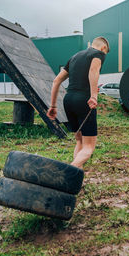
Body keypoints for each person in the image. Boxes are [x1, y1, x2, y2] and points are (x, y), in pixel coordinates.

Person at [47, 36, 110, 169]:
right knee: (89, 147)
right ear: (103, 48)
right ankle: (67, 172)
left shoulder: (74, 57)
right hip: (84, 101)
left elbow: (56, 81)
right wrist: (94, 96)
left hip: (68, 100)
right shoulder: (98, 54)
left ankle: (76, 177)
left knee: (80, 141)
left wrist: (53, 105)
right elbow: (93, 71)